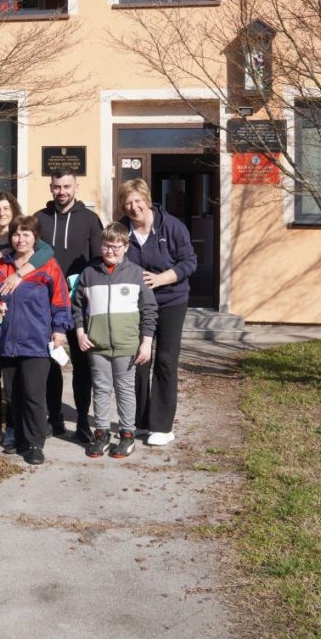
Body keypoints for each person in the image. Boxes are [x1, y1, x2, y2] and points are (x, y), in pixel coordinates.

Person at [0, 215, 72, 466]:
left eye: (26, 234)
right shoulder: (1, 264)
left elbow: (61, 300)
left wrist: (59, 329)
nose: (20, 239)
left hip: (36, 341)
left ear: (35, 238)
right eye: (16, 234)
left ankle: (35, 443)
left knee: (33, 394)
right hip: (7, 340)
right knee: (14, 394)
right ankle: (20, 438)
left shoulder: (48, 265)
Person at [117, 179, 197, 447]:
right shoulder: (121, 229)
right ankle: (140, 422)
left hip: (171, 300)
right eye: (128, 202)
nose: (133, 206)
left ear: (147, 200)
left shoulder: (171, 226)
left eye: (138, 200)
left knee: (164, 359)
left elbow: (189, 262)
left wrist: (162, 279)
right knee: (139, 359)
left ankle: (162, 426)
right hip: (136, 306)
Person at [0, 192, 56, 449]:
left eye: (6, 208)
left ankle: (17, 428)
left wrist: (19, 273)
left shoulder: (26, 235)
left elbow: (47, 252)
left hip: (29, 323)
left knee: (23, 383)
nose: (1, 213)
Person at [72, 222, 157, 459]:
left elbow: (150, 310)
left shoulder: (137, 274)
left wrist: (146, 342)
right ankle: (101, 433)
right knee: (100, 388)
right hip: (97, 345)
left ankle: (127, 434)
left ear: (126, 247)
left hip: (127, 345)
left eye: (116, 246)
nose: (110, 251)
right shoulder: (89, 274)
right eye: (106, 246)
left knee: (125, 389)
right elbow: (77, 307)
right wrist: (80, 332)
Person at [35, 171, 103, 441]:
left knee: (81, 364)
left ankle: (84, 422)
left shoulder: (90, 220)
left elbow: (98, 259)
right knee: (51, 363)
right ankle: (55, 417)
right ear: (50, 188)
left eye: (66, 186)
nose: (61, 191)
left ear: (76, 187)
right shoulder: (39, 219)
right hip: (46, 304)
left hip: (79, 304)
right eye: (56, 187)